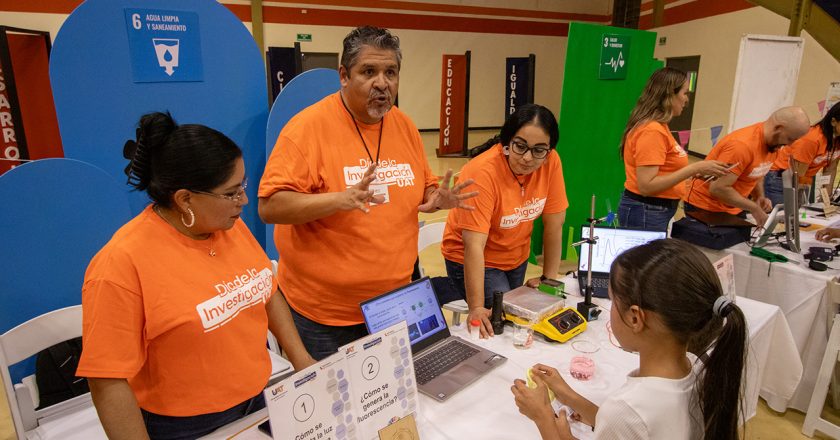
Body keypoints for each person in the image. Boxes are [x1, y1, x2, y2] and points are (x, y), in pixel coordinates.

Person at [77, 112, 315, 440]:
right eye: (231, 192)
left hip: (259, 398)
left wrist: (301, 359)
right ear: (185, 198)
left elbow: (266, 291)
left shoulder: (230, 227)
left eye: (243, 186)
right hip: (185, 426)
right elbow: (107, 381)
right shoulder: (120, 265)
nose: (244, 200)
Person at [258, 26, 476, 360]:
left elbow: (422, 184)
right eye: (369, 72)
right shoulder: (306, 129)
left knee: (392, 404)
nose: (382, 83)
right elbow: (270, 206)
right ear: (344, 75)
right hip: (325, 316)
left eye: (391, 72)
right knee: (337, 409)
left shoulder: (404, 126)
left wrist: (434, 197)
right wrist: (339, 199)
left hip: (394, 304)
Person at [511, 239, 747, 440]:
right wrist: (568, 394)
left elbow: (627, 421)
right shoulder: (697, 368)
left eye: (613, 302)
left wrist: (544, 419)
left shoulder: (627, 410)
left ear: (635, 318)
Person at [437, 104, 568, 338]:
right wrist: (476, 307)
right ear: (506, 142)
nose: (528, 158)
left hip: (516, 256)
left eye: (539, 150)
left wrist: (550, 280)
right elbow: (473, 245)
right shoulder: (483, 171)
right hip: (476, 258)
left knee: (524, 319)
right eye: (520, 146)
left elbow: (554, 223)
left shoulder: (551, 162)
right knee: (505, 325)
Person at [618, 67, 729, 232]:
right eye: (684, 93)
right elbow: (646, 186)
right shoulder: (652, 130)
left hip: (655, 209)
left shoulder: (660, 127)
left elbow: (663, 171)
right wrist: (694, 168)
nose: (686, 100)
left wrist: (696, 172)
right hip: (647, 210)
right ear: (670, 95)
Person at [684, 106, 810, 226]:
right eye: (790, 138)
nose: (789, 144)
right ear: (778, 128)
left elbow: (757, 172)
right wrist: (753, 207)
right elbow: (718, 188)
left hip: (733, 208)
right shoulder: (742, 146)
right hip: (705, 207)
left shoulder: (773, 144)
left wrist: (759, 197)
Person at [764, 101, 840, 207]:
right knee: (784, 217)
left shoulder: (837, 141)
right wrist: (799, 202)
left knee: (799, 216)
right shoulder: (812, 139)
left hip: (802, 179)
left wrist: (826, 204)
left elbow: (831, 169)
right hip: (781, 178)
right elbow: (798, 173)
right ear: (833, 121)